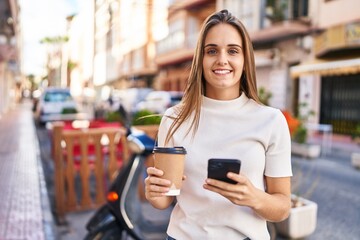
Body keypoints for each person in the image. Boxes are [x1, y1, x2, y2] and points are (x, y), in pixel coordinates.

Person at [144, 9, 292, 240]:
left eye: (233, 50)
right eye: (212, 51)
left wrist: (253, 197)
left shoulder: (271, 120)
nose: (222, 59)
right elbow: (164, 200)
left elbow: (282, 208)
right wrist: (154, 192)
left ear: (245, 59)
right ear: (200, 60)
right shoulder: (174, 118)